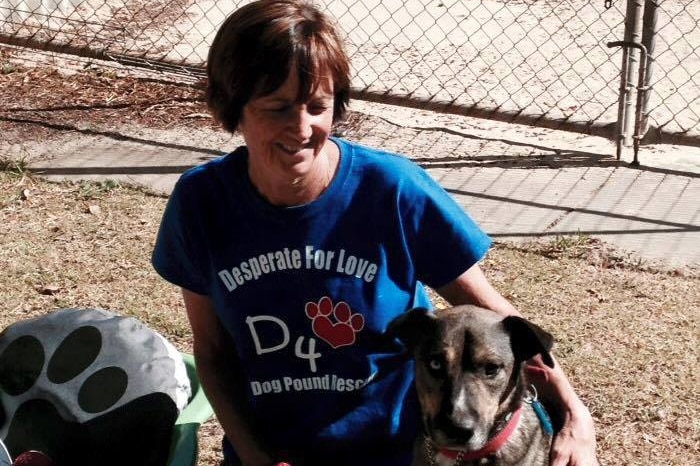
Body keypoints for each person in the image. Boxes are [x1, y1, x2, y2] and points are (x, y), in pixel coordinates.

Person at [152, 1, 598, 465]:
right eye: (277, 108)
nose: (302, 128)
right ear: (233, 107)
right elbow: (213, 352)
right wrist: (256, 457)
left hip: (396, 452)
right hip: (275, 451)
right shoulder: (202, 202)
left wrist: (572, 411)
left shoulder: (392, 190)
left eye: (317, 106)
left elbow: (494, 318)